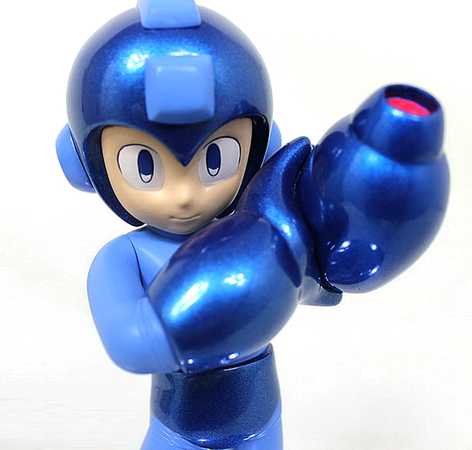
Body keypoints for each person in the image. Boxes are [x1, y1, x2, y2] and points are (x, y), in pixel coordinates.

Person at [56, 1, 449, 449]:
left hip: (261, 415)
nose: (184, 195)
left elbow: (313, 279)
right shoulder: (123, 259)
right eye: (144, 166)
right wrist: (208, 305)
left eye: (215, 159)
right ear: (85, 165)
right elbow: (131, 344)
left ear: (262, 146)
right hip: (180, 425)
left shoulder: (258, 230)